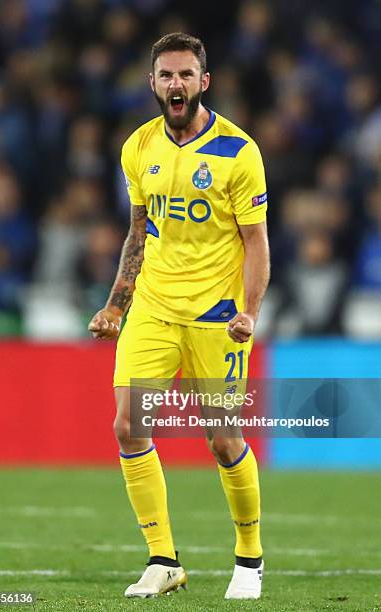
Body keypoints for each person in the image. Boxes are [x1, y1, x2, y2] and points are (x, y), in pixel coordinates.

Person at [88, 32, 270, 600]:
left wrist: (249, 311)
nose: (176, 84)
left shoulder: (238, 152)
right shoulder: (138, 147)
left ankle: (249, 560)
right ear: (152, 83)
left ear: (203, 82)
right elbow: (139, 230)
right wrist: (117, 303)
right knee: (128, 424)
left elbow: (257, 242)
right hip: (154, 308)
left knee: (221, 438)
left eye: (186, 75)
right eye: (166, 75)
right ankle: (163, 560)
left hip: (217, 317)